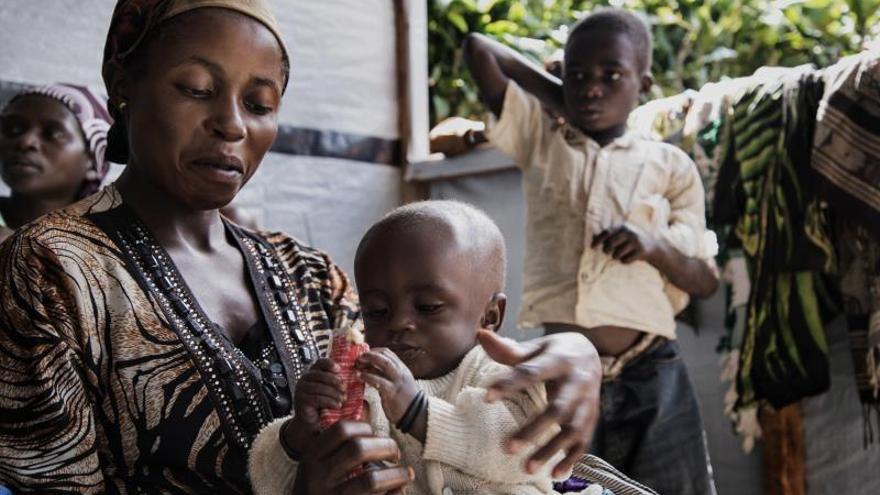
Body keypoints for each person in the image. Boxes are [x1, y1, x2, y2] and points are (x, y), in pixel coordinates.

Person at [0, 1, 603, 493]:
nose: (233, 123)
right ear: (124, 88)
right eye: (195, 88)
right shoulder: (54, 266)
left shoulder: (307, 271)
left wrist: (576, 356)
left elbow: (438, 378)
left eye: (260, 103)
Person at [463, 8, 719, 495]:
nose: (592, 88)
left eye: (612, 75)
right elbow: (480, 49)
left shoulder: (670, 166)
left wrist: (652, 247)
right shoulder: (542, 139)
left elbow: (703, 279)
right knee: (566, 487)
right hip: (562, 375)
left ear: (643, 82)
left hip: (654, 373)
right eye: (579, 75)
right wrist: (558, 96)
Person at [284, 200, 601, 495]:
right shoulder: (368, 389)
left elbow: (530, 452)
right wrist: (298, 437)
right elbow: (278, 484)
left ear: (489, 317)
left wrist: (418, 413)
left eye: (427, 306)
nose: (398, 323)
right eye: (377, 311)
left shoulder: (502, 377)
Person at [0, 84, 112, 242]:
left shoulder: (104, 250)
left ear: (91, 160)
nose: (25, 142)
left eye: (53, 134)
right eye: (13, 128)